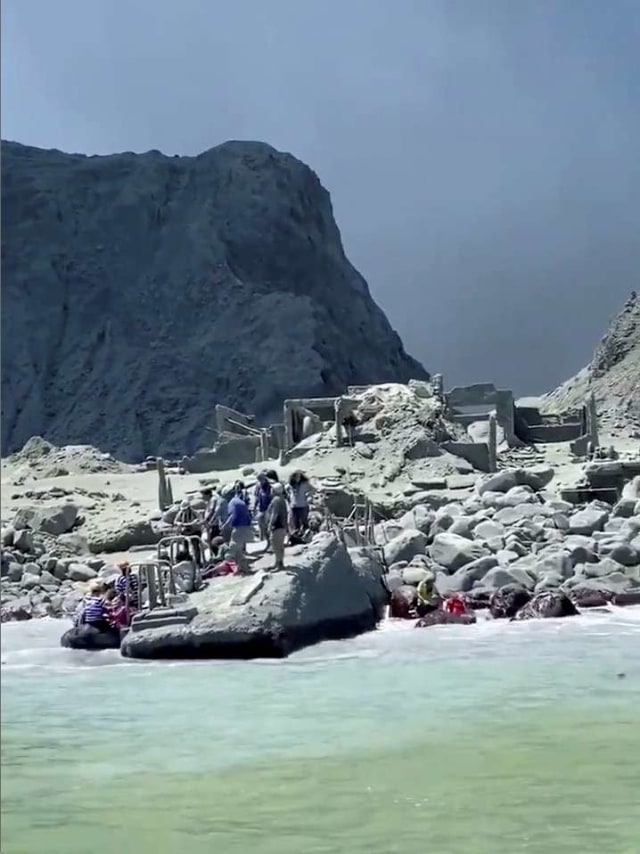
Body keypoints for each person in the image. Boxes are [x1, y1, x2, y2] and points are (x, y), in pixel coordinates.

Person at [224, 482, 254, 573]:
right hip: (246, 527)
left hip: (238, 528)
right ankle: (242, 568)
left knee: (233, 550)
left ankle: (244, 568)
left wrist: (225, 526)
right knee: (239, 550)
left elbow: (231, 516)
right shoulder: (240, 502)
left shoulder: (232, 503)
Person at [268, 483, 288, 571]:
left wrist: (270, 524)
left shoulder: (276, 500)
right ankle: (278, 563)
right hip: (282, 526)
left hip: (277, 526)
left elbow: (274, 514)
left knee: (276, 545)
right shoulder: (281, 499)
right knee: (279, 546)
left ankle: (279, 565)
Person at [253, 473, 273, 546]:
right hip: (261, 509)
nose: (260, 481)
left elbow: (271, 498)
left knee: (268, 526)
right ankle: (267, 541)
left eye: (261, 479)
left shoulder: (269, 486)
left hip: (268, 508)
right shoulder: (259, 486)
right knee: (262, 526)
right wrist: (255, 507)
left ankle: (271, 542)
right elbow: (257, 497)